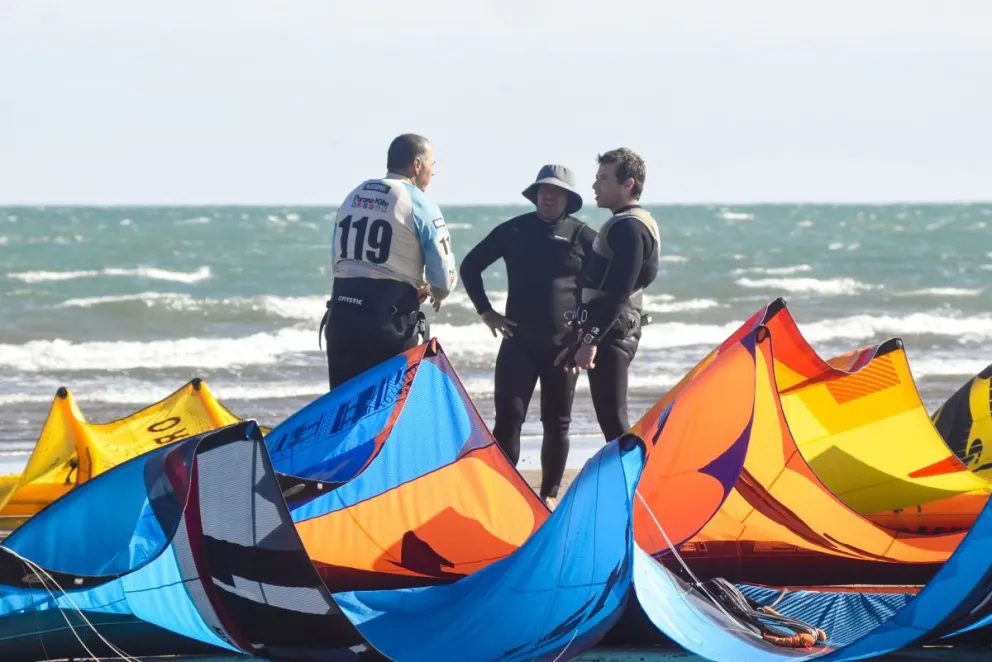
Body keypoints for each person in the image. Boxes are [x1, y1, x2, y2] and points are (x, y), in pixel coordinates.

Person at [460, 165, 596, 508]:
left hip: (562, 347)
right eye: (543, 191)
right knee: (507, 419)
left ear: (568, 198)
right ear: (536, 194)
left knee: (557, 423)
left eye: (556, 192)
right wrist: (485, 311)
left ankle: (548, 495)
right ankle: (503, 495)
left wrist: (588, 334)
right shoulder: (515, 230)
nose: (548, 197)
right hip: (518, 344)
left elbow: (608, 285)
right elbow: (470, 265)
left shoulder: (583, 236)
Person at [321, 134, 457, 389]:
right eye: (432, 164)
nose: (433, 172)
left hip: (341, 318)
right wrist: (431, 289)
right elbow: (444, 281)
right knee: (385, 413)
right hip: (386, 325)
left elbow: (337, 260)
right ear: (417, 165)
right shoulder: (420, 202)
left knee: (343, 410)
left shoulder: (354, 195)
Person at [556, 148, 660, 442]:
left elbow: (618, 291)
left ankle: (640, 485)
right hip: (608, 331)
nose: (595, 186)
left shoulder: (630, 227)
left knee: (614, 422)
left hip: (613, 333)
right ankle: (635, 483)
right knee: (610, 421)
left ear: (628, 184)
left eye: (603, 178)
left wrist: (591, 341)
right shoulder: (625, 222)